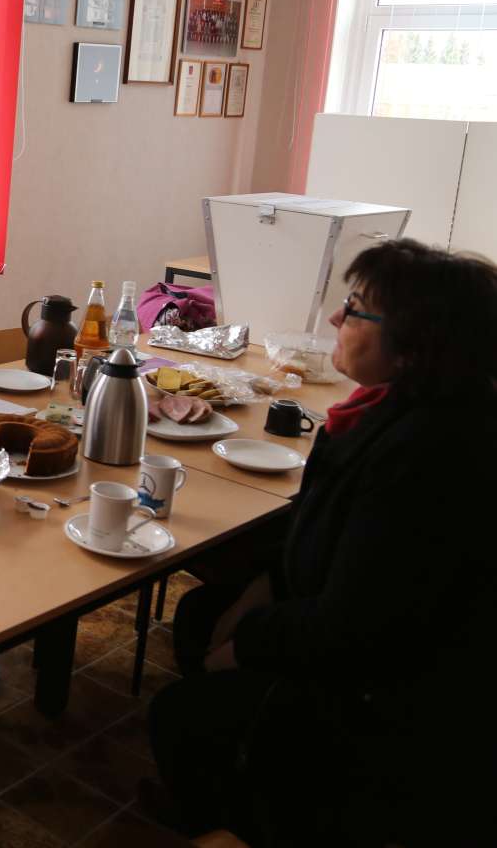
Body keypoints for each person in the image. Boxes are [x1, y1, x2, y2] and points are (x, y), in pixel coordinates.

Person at [146, 240, 497, 847]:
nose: (337, 318)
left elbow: (354, 625)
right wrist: (260, 590)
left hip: (392, 694)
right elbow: (314, 540)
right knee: (202, 614)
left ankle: (257, 820)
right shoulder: (387, 410)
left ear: (417, 345)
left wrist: (250, 642)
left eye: (356, 308)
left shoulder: (429, 455)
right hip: (346, 626)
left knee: (179, 715)